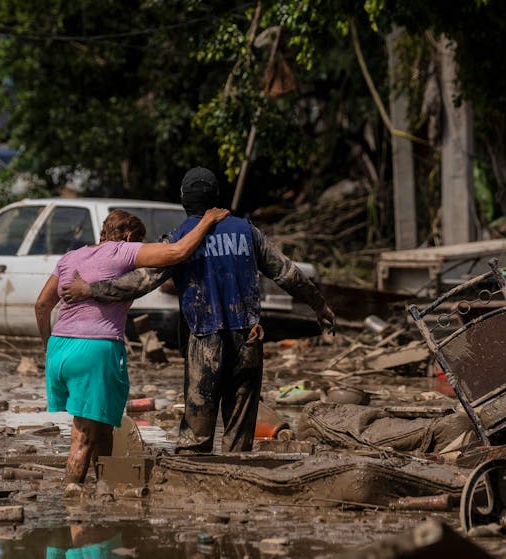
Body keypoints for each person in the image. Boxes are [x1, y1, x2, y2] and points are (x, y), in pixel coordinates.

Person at [62, 167, 335, 454]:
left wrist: (91, 289)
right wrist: (319, 305)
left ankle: (193, 478)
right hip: (248, 339)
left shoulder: (181, 238)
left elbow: (141, 282)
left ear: (184, 199)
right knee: (239, 432)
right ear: (216, 197)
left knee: (195, 436)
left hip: (205, 340)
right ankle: (238, 476)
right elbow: (287, 273)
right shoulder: (247, 232)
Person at [34, 207, 229, 484]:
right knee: (83, 437)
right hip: (95, 350)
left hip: (60, 349)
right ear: (128, 235)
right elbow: (177, 252)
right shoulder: (123, 251)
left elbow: (42, 305)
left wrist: (48, 347)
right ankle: (72, 501)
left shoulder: (71, 257)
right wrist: (207, 220)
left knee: (103, 427)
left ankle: (105, 489)